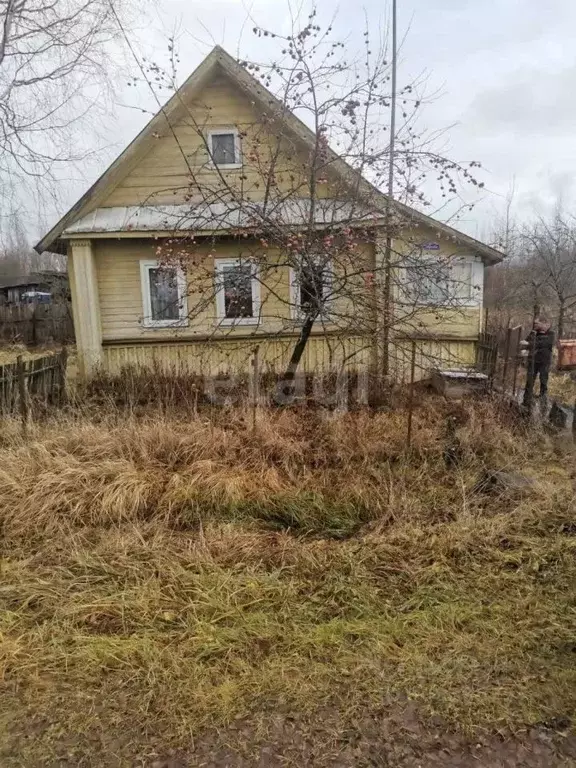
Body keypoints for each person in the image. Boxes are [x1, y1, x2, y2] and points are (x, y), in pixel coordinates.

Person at [522, 317, 555, 406]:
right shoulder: (533, 333)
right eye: (535, 324)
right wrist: (526, 345)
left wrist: (531, 344)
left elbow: (545, 343)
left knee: (543, 380)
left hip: (544, 361)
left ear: (544, 324)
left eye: (537, 323)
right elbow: (526, 342)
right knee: (530, 379)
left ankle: (543, 399)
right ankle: (527, 399)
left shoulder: (551, 334)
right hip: (533, 360)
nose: (535, 325)